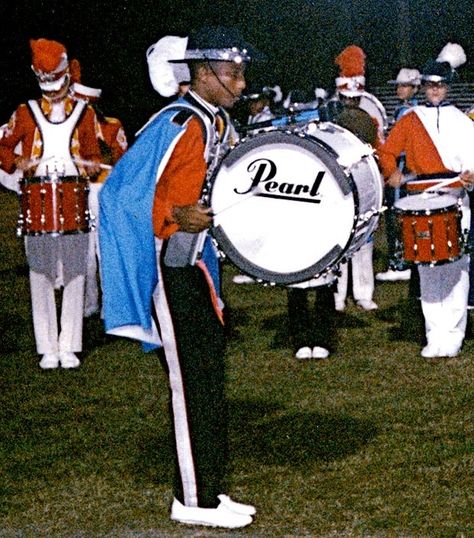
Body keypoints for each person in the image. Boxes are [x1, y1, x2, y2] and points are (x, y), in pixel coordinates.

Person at [99, 27, 256, 529]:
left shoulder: (216, 122)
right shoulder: (178, 122)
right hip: (171, 266)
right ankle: (190, 499)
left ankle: (210, 490)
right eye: (232, 74)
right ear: (203, 74)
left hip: (198, 264)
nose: (240, 82)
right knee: (188, 384)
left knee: (209, 379)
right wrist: (173, 212)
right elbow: (119, 194)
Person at [0, 38, 101, 369]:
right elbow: (2, 148)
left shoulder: (85, 114)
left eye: (57, 83)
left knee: (75, 271)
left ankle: (69, 344)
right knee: (39, 273)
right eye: (46, 84)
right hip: (38, 200)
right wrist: (17, 161)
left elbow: (93, 155)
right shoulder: (24, 113)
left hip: (73, 199)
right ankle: (47, 346)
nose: (53, 91)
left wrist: (90, 165)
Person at [378, 43, 474, 358]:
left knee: (457, 268)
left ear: (448, 87)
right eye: (430, 85)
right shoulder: (410, 119)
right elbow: (388, 151)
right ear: (424, 86)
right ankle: (435, 334)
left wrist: (470, 177)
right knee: (427, 269)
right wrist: (391, 172)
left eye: (440, 85)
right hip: (421, 197)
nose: (435, 90)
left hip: (456, 197)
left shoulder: (461, 120)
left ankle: (454, 333)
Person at [69, 69, 128, 317]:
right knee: (94, 251)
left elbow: (120, 162)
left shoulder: (102, 126)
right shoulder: (111, 125)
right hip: (85, 191)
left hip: (97, 191)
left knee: (95, 250)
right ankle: (100, 305)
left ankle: (96, 304)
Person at [331, 45, 380, 311]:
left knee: (364, 240)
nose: (350, 100)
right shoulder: (330, 115)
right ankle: (337, 294)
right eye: (346, 97)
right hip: (337, 184)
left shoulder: (369, 120)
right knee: (338, 240)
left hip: (362, 183)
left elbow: (378, 150)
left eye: (354, 97)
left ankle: (363, 292)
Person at [376, 68, 421, 283]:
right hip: (406, 166)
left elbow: (401, 144)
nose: (399, 89)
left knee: (398, 214)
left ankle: (400, 263)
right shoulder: (406, 109)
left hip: (403, 166)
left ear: (414, 89)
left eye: (404, 86)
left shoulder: (408, 111)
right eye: (398, 85)